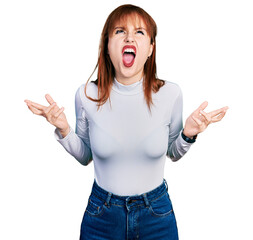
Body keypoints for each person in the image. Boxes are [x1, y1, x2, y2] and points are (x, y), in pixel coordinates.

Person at [24, 4, 228, 240]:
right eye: (120, 31)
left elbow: (173, 153)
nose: (129, 37)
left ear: (151, 48)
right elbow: (85, 156)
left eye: (139, 32)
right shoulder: (86, 95)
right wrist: (64, 129)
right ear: (108, 45)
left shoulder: (170, 94)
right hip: (101, 216)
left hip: (157, 216)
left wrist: (188, 134)